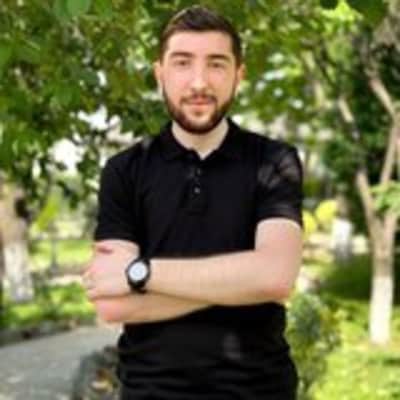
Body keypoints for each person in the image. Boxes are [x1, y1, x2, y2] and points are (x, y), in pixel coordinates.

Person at [82, 5, 303, 400]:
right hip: (150, 392)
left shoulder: (273, 160)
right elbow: (113, 306)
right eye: (182, 62)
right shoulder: (124, 170)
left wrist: (138, 274)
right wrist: (238, 283)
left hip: (259, 390)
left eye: (216, 64)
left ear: (238, 75)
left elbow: (275, 277)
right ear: (160, 74)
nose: (199, 81)